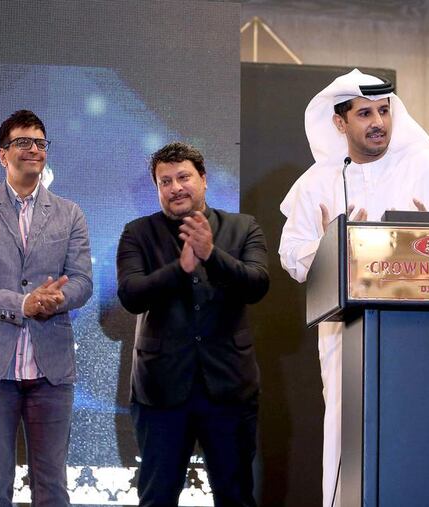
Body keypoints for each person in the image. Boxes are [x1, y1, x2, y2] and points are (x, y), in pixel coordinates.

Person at [278, 69, 429, 507]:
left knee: (422, 431)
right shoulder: (318, 183)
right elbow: (292, 256)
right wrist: (337, 243)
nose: (378, 122)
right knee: (348, 434)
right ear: (340, 123)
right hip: (346, 335)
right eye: (365, 113)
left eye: (385, 111)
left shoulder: (425, 167)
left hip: (426, 335)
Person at [0, 109, 92, 506]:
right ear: (2, 154)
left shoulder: (70, 213)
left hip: (51, 368)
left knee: (51, 486)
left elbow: (81, 281)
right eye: (23, 142)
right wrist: (24, 304)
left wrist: (57, 299)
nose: (33, 149)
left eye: (40, 143)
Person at [116, 142, 269, 506]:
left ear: (203, 179)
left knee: (236, 497)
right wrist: (179, 269)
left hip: (230, 389)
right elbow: (131, 295)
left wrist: (211, 256)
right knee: (156, 498)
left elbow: (257, 284)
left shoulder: (242, 227)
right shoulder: (137, 233)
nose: (175, 188)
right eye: (164, 181)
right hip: (161, 390)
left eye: (183, 177)